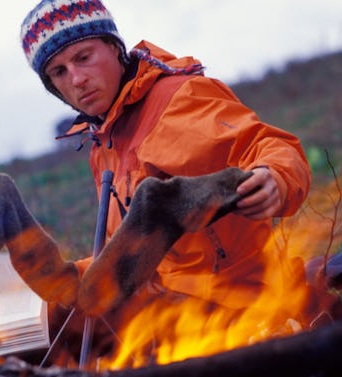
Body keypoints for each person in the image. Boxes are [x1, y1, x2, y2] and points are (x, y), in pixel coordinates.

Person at [19, 0, 334, 368]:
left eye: (84, 57)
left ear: (113, 47)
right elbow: (131, 251)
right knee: (40, 327)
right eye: (58, 72)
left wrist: (276, 178)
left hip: (235, 307)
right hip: (164, 307)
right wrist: (66, 279)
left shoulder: (178, 101)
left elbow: (270, 146)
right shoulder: (104, 142)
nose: (76, 79)